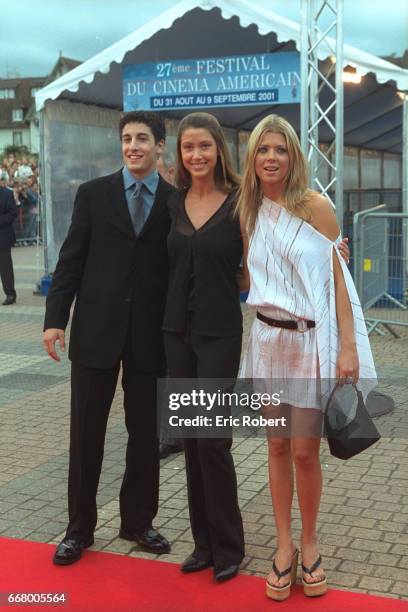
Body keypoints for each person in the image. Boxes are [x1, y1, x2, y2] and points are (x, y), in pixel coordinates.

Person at [237, 114, 376, 600]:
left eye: (279, 149)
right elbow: (251, 276)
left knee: (303, 451)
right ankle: (283, 546)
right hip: (267, 342)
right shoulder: (248, 210)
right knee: (275, 448)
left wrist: (350, 347)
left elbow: (339, 281)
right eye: (262, 150)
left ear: (294, 156)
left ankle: (311, 540)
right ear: (251, 158)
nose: (270, 157)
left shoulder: (316, 207)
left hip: (309, 343)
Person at [43, 111, 173, 565]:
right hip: (95, 333)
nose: (133, 146)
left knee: (145, 436)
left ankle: (138, 522)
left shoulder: (176, 201)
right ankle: (78, 529)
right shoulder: (93, 195)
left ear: (161, 145)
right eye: (126, 139)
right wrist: (54, 318)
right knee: (86, 434)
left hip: (149, 339)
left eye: (142, 139)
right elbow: (70, 259)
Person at [162, 112, 249, 582]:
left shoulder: (240, 202)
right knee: (191, 441)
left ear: (219, 150)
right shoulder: (172, 204)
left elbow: (254, 267)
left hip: (219, 332)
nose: (196, 155)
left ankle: (229, 545)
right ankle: (202, 544)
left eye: (204, 146)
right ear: (180, 153)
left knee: (213, 439)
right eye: (188, 147)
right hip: (175, 333)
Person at [0, 185, 17, 305]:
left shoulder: (7, 193)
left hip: (3, 237)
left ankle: (10, 294)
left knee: (5, 268)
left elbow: (12, 214)